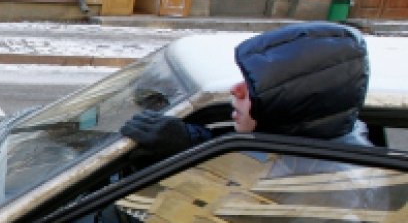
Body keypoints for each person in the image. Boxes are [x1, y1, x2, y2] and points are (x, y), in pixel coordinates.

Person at [120, 22, 372, 156]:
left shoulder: (324, 183)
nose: (235, 90)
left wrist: (195, 147)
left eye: (253, 86)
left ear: (294, 100)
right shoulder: (314, 149)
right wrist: (196, 143)